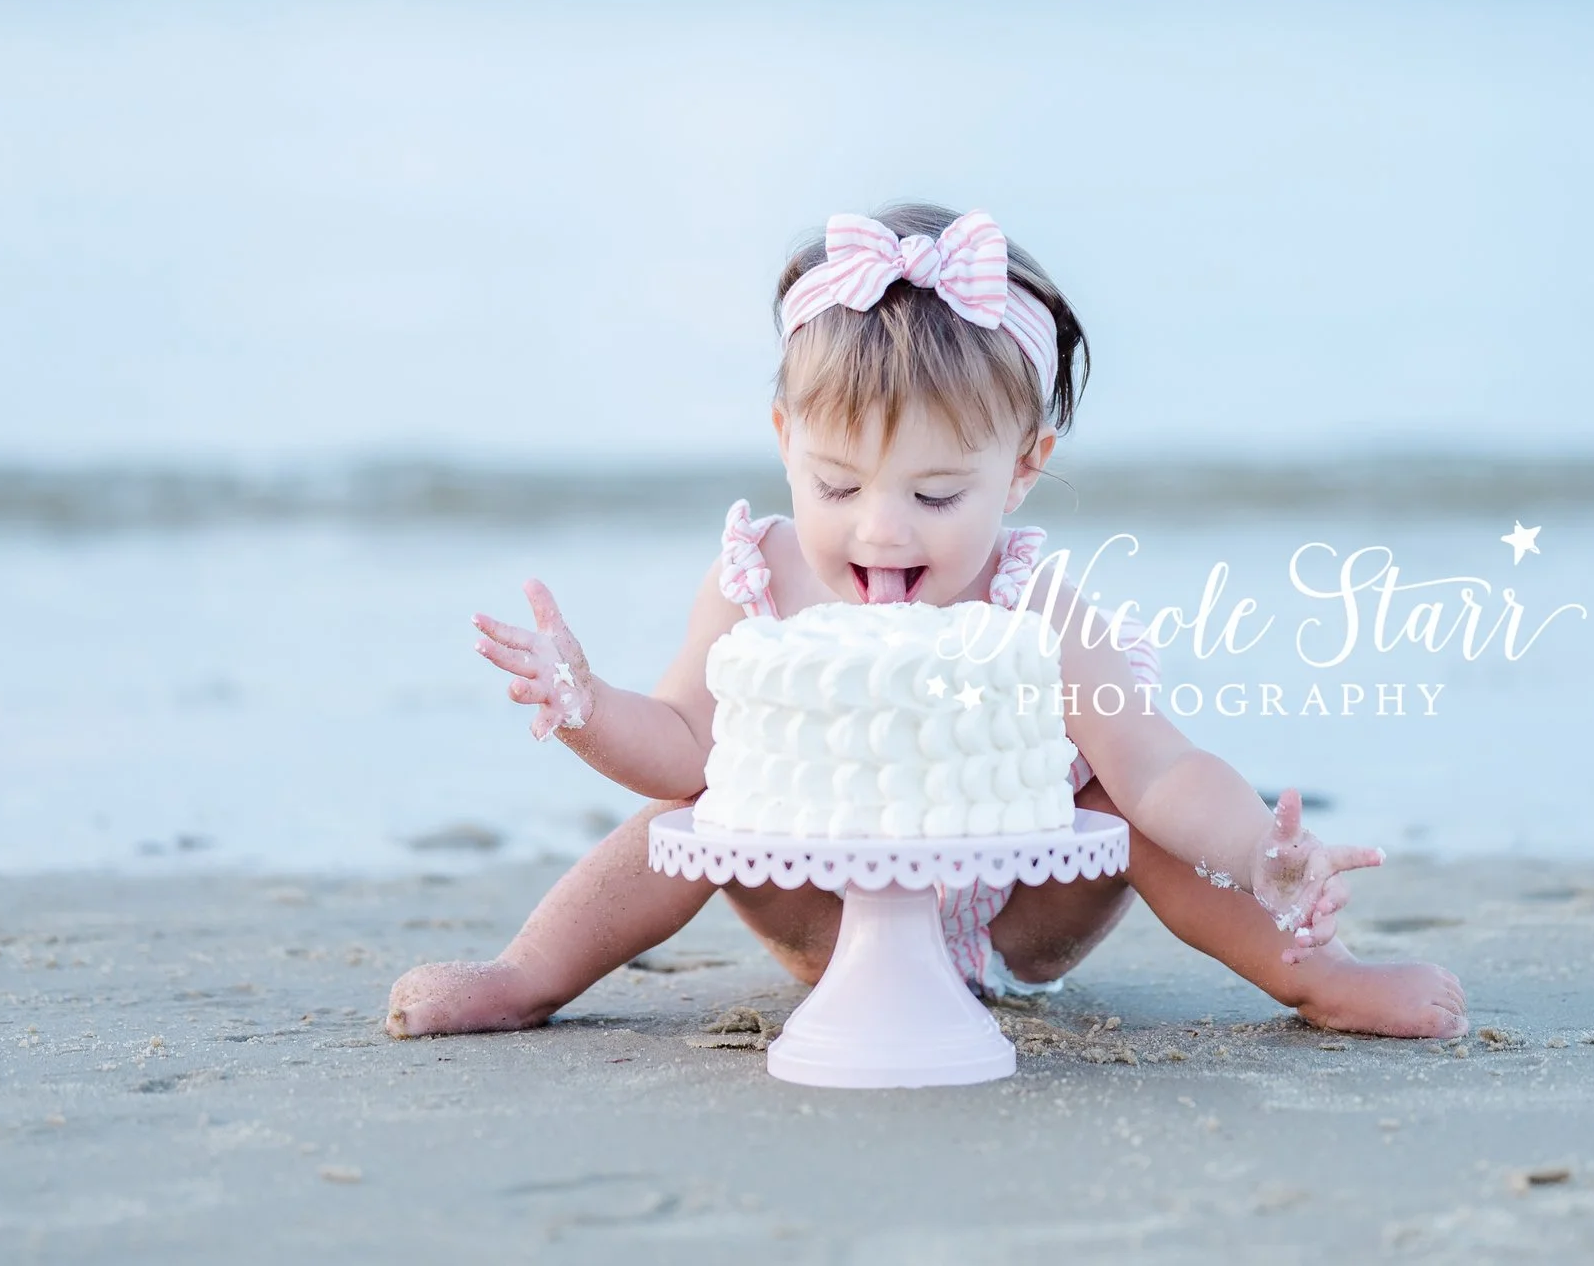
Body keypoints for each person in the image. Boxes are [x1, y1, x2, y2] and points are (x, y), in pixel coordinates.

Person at [386, 203, 1467, 1040]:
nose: (881, 531)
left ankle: (1315, 975)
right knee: (702, 796)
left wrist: (1255, 850)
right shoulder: (758, 574)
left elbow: (1158, 767)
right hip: (817, 905)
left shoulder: (1030, 603)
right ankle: (528, 975)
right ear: (782, 439)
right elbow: (675, 737)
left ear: (1023, 469)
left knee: (1130, 815)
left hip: (1016, 912)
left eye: (936, 495)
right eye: (838, 486)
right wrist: (585, 708)